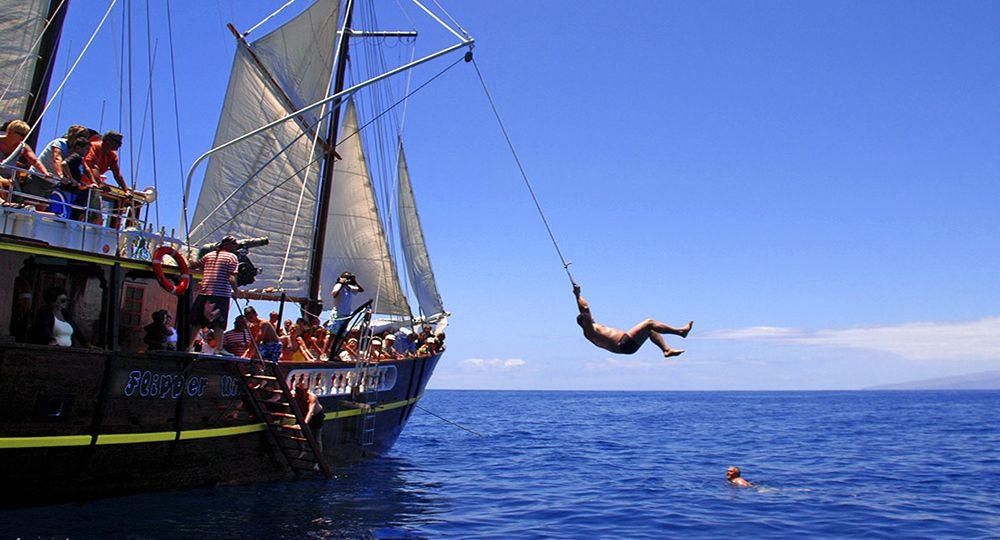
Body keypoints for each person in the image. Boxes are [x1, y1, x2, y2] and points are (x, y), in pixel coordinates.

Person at [573, 283, 692, 358]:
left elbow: (586, 312)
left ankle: (667, 350)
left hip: (625, 346)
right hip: (623, 344)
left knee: (650, 330)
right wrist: (577, 295)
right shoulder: (589, 330)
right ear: (583, 322)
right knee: (649, 322)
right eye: (589, 318)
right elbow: (585, 309)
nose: (592, 317)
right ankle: (680, 332)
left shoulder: (591, 331)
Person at [188, 235, 239, 344]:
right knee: (219, 322)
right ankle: (219, 348)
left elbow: (194, 265)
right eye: (234, 244)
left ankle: (187, 346)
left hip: (204, 292)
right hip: (221, 294)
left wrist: (189, 258)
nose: (236, 246)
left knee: (197, 321)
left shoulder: (208, 255)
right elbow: (231, 277)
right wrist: (236, 290)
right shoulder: (232, 257)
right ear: (226, 244)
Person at [292, 381, 325, 455]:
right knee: (296, 431)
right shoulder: (293, 396)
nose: (302, 394)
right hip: (303, 414)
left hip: (316, 415)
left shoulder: (312, 397)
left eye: (304, 392)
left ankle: (317, 459)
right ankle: (302, 449)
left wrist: (304, 424)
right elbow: (288, 408)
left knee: (316, 438)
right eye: (300, 392)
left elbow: (311, 411)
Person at [10, 265, 33, 342]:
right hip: (19, 311)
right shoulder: (21, 282)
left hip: (22, 311)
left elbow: (26, 300)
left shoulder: (25, 283)